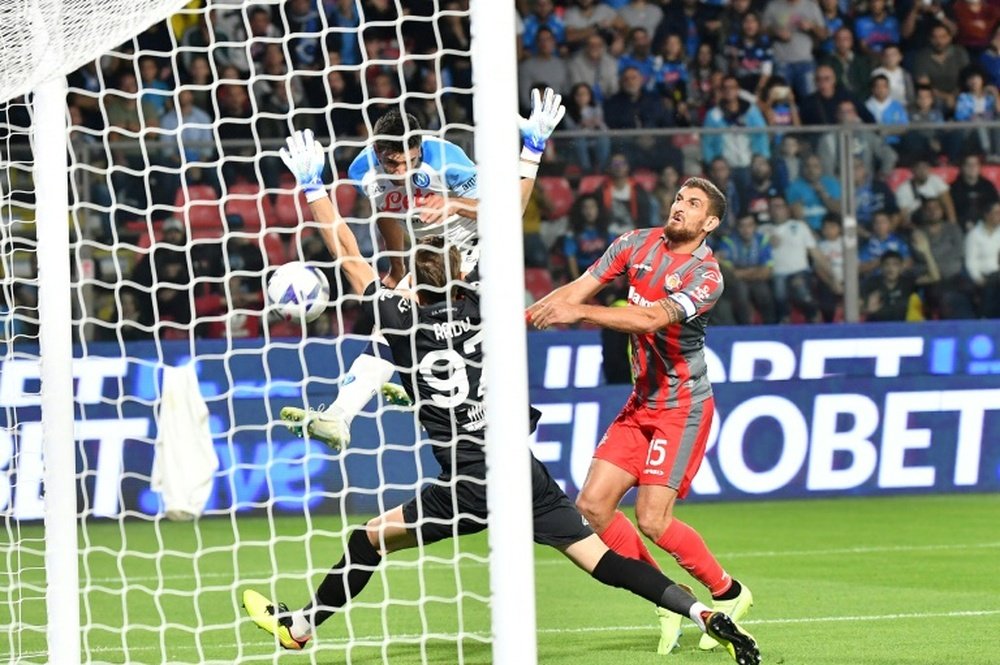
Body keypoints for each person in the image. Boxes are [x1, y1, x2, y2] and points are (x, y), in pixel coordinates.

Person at [242, 130, 760, 665]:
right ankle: (704, 613)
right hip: (522, 471)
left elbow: (348, 253)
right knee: (601, 560)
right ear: (462, 274)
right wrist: (529, 153)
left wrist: (312, 187)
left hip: (469, 481)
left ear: (411, 287)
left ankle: (299, 627)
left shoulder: (400, 322)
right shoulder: (486, 310)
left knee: (369, 539)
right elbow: (505, 216)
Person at [526, 178, 754, 656]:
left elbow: (650, 319)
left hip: (683, 407)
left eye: (693, 204)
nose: (680, 207)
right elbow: (579, 286)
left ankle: (730, 593)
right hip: (641, 402)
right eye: (677, 198)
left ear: (709, 223)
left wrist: (579, 313)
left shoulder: (706, 276)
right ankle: (668, 598)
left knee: (653, 518)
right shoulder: (635, 243)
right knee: (592, 506)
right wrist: (529, 315)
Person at [302, 91, 563, 449]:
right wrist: (396, 268)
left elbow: (506, 210)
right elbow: (389, 217)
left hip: (475, 244)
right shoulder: (362, 170)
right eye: (392, 163)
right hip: (427, 254)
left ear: (420, 149)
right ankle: (341, 414)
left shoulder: (448, 161)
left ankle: (412, 395)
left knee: (458, 329)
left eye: (409, 161)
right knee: (393, 320)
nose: (401, 171)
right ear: (377, 153)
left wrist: (453, 202)